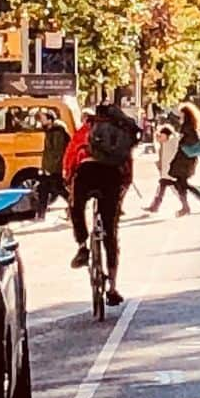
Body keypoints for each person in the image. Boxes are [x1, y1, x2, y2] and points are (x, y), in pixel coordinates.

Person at [64, 103, 139, 306]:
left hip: (86, 173)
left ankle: (82, 246)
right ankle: (113, 287)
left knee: (76, 207)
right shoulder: (122, 132)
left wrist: (69, 179)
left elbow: (71, 154)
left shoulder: (88, 128)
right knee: (110, 232)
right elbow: (127, 165)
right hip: (111, 178)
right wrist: (123, 188)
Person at [170, 102, 200, 215]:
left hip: (185, 160)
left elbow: (192, 140)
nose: (180, 116)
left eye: (181, 114)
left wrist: (183, 142)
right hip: (185, 159)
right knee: (181, 184)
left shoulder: (188, 127)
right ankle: (190, 205)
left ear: (186, 115)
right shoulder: (189, 126)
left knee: (182, 184)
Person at [36, 108, 71, 220]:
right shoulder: (50, 130)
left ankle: (74, 207)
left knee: (58, 188)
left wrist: (51, 169)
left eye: (43, 118)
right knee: (44, 188)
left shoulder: (57, 131)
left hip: (56, 167)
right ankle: (41, 214)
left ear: (50, 119)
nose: (40, 120)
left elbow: (57, 152)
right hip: (50, 167)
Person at [145, 124, 180, 213]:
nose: (160, 137)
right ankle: (154, 207)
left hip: (171, 171)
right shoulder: (164, 143)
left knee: (179, 190)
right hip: (166, 171)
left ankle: (189, 204)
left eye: (161, 135)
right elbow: (161, 156)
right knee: (162, 187)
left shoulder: (173, 141)